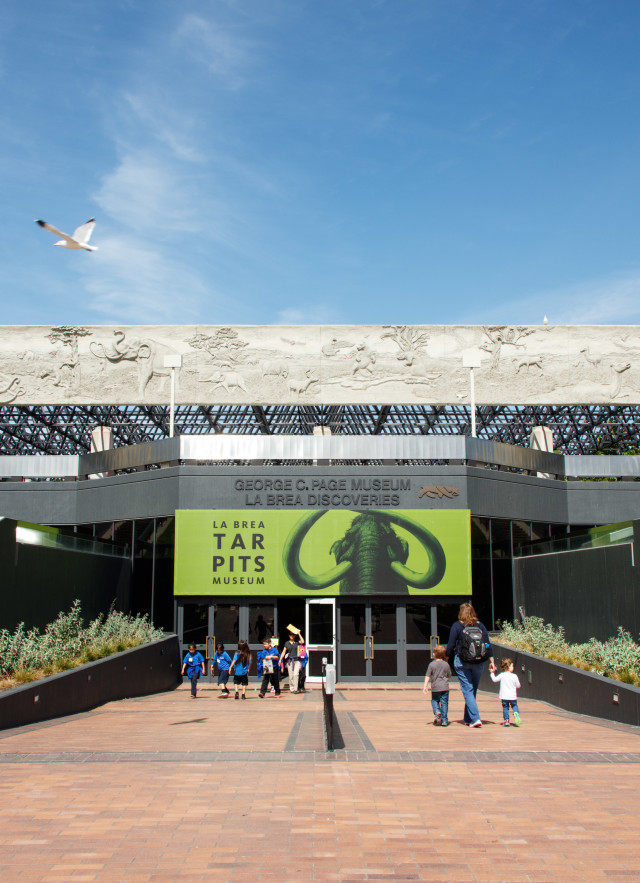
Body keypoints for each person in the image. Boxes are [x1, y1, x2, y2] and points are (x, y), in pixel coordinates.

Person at [446, 602, 495, 727]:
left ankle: (475, 718)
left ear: (461, 613)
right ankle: (468, 719)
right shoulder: (480, 625)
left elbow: (451, 645)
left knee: (467, 690)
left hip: (462, 662)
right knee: (472, 691)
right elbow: (488, 644)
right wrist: (492, 661)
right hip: (478, 662)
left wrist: (446, 659)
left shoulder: (457, 626)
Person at [423, 644, 451, 726]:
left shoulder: (431, 665)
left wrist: (425, 686)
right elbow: (449, 675)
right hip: (445, 687)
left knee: (434, 700)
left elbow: (428, 675)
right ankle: (444, 720)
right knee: (444, 702)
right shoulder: (446, 664)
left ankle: (437, 711)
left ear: (434, 655)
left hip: (435, 687)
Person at [491, 657, 522, 726]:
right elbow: (518, 685)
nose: (513, 667)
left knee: (505, 708)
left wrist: (492, 673)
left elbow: (494, 680)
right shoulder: (514, 676)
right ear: (508, 667)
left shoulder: (502, 675)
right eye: (512, 666)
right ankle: (516, 713)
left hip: (504, 696)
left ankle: (506, 720)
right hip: (513, 696)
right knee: (514, 705)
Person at [279, 626, 305, 693]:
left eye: (293, 635)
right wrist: (280, 660)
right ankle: (292, 688)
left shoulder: (297, 642)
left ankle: (296, 689)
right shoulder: (286, 643)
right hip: (290, 661)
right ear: (288, 635)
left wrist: (298, 633)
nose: (292, 636)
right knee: (291, 676)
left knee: (296, 674)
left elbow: (302, 641)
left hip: (297, 660)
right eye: (290, 634)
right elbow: (284, 652)